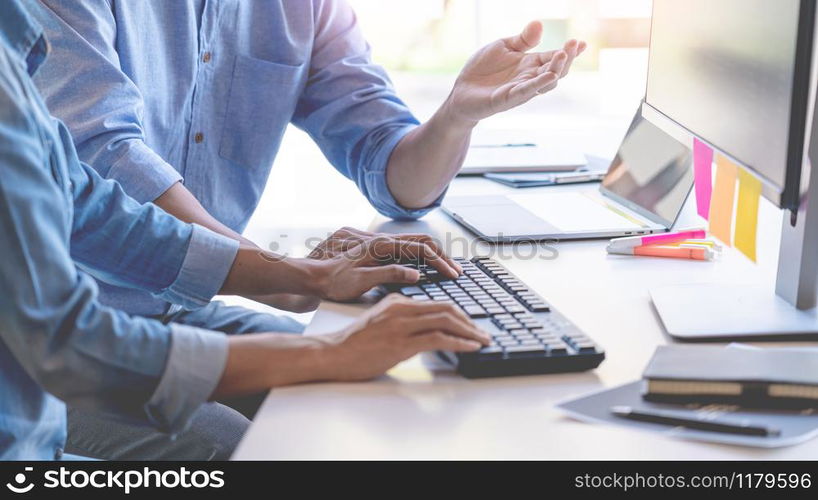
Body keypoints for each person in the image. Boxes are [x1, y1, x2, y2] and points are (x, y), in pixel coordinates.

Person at [27, 0, 585, 459]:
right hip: (48, 339)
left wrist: (457, 116)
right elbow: (103, 169)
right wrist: (285, 277)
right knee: (235, 448)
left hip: (178, 308)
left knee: (364, 397)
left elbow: (394, 173)